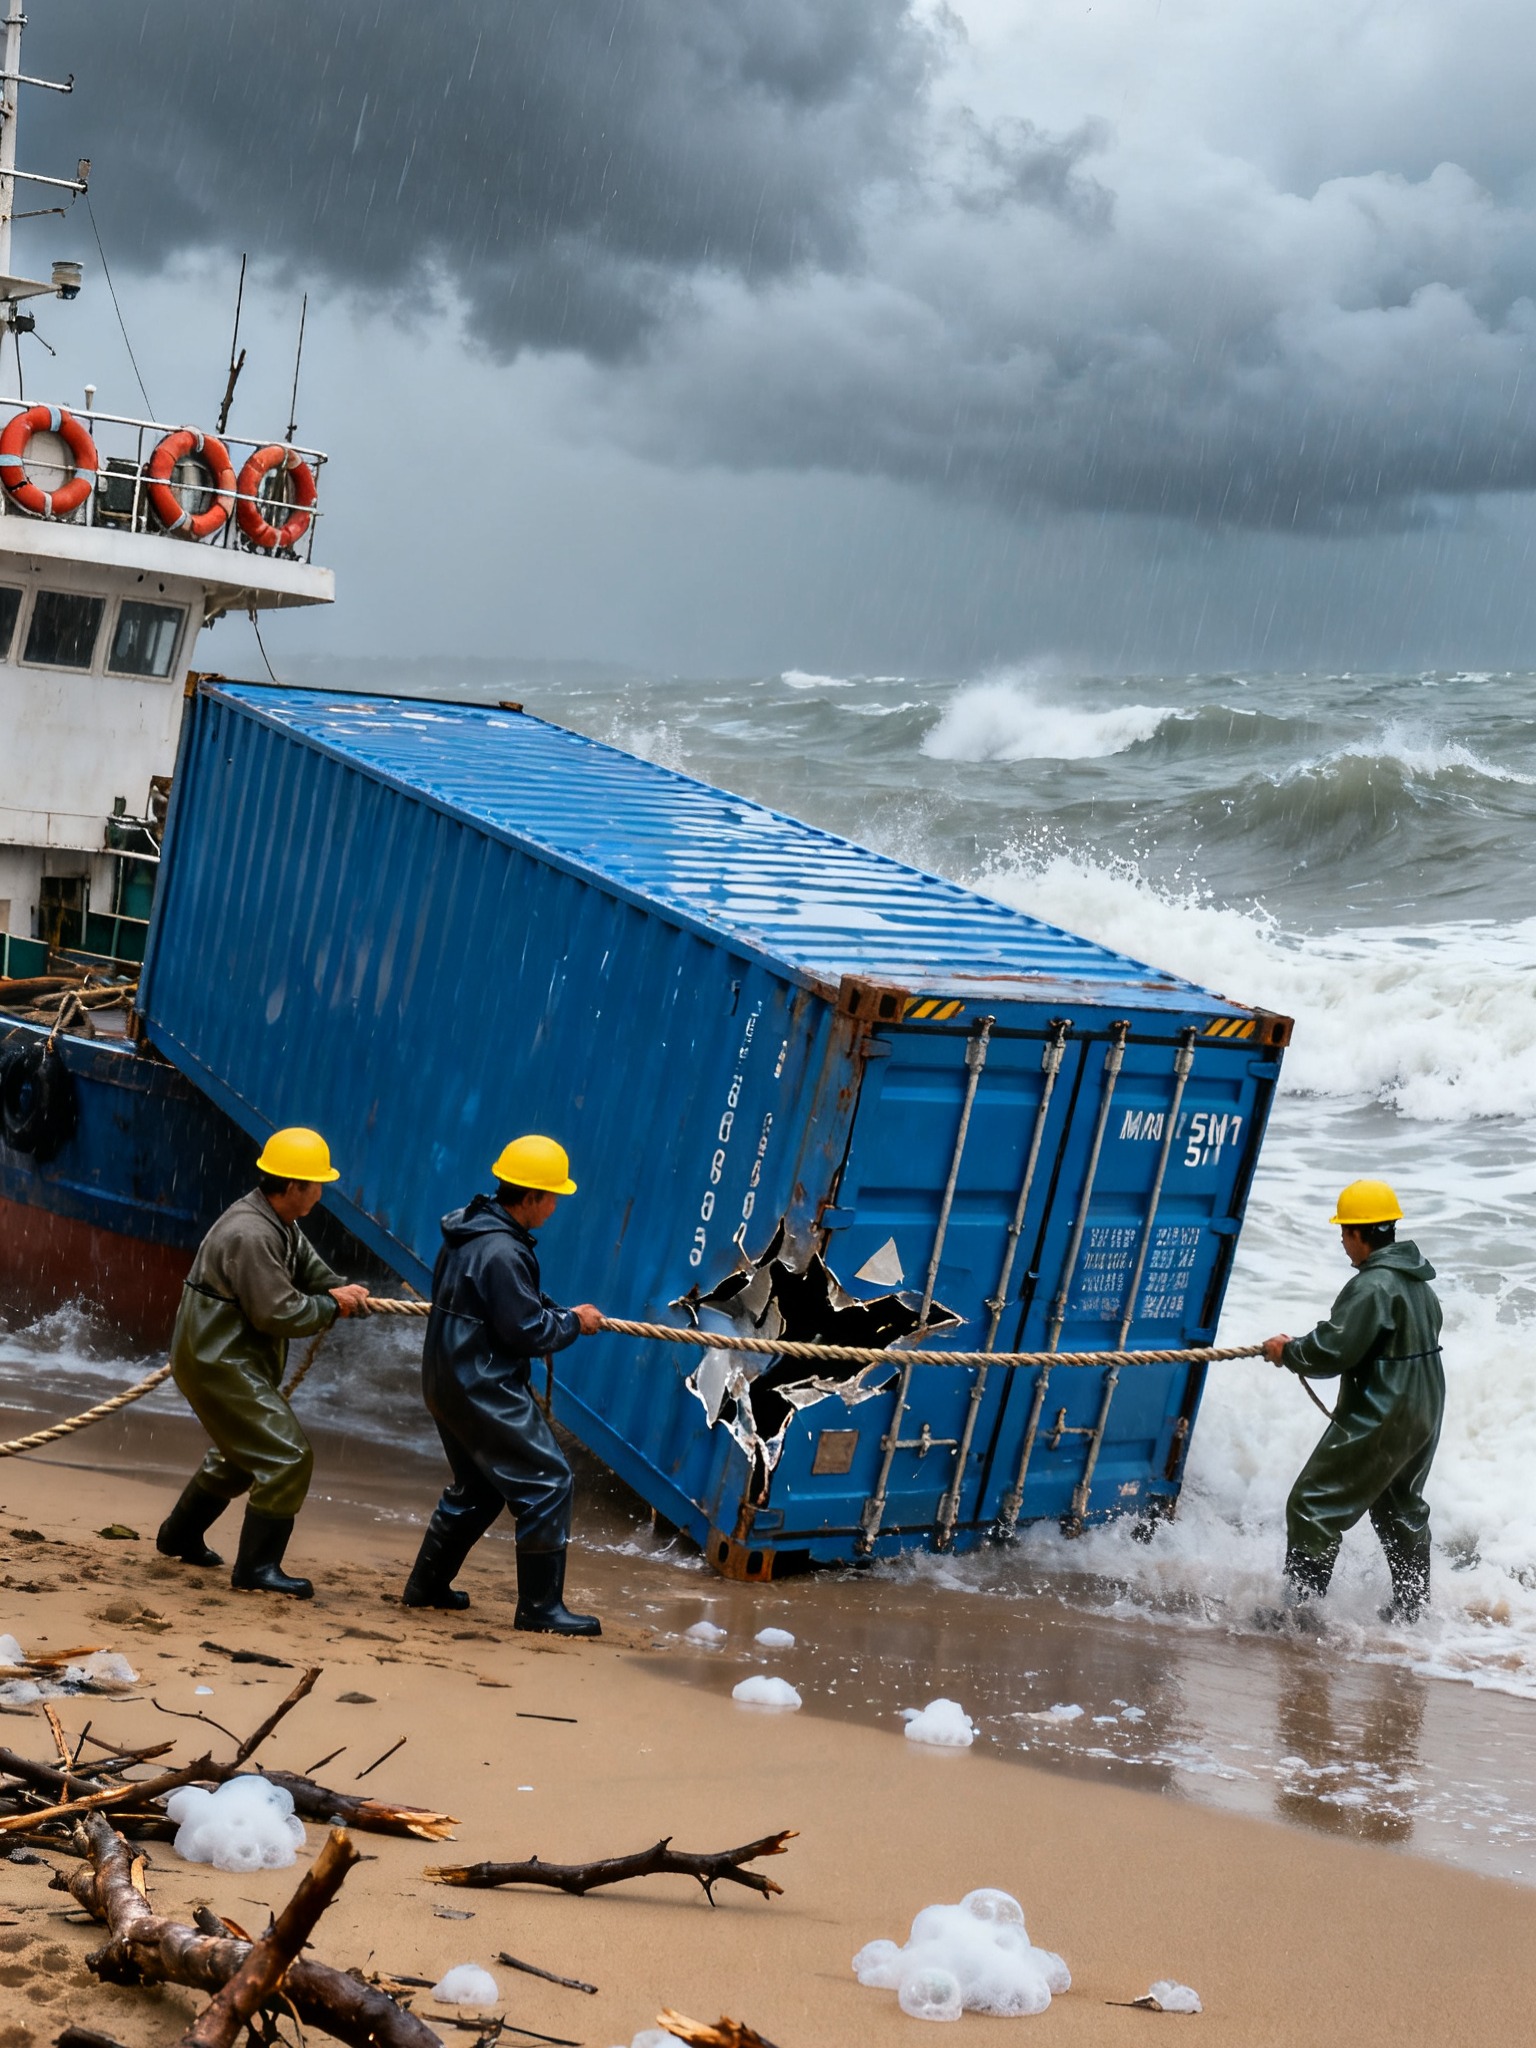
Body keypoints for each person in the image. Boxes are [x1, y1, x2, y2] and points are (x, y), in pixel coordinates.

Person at [402, 1134, 605, 1633]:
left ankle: (425, 1588)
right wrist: (574, 1323)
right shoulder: (503, 1250)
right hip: (482, 1384)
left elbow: (499, 1303)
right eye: (552, 1196)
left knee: (479, 1488)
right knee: (549, 1482)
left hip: (446, 1377)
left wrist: (557, 1310)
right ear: (530, 1197)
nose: (556, 1206)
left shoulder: (469, 1233)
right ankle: (540, 1610)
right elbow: (526, 1331)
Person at [156, 1127, 370, 1599]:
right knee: (287, 1456)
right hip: (218, 1361)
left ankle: (179, 1535)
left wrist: (340, 1290)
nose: (322, 1192)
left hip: (221, 1356)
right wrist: (331, 1306)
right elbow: (277, 1313)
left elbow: (309, 1272)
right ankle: (257, 1568)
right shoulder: (252, 1233)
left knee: (239, 1457)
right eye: (317, 1184)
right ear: (293, 1186)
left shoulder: (278, 1222)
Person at [1261, 1178, 1444, 1625]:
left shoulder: (1373, 1285)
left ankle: (1299, 1615)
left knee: (1312, 1504)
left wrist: (1289, 1352)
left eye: (1344, 1232)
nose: (1342, 1242)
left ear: (1361, 1234)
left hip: (1383, 1412)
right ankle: (1411, 1613)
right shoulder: (1419, 1286)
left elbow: (1331, 1351)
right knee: (1400, 1506)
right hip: (1424, 1407)